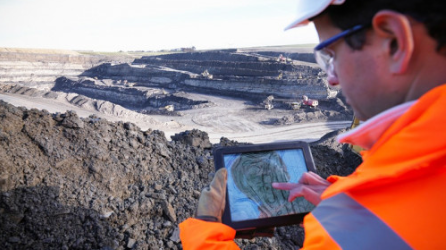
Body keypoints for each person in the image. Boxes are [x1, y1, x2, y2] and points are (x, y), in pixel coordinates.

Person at [179, 0, 446, 249]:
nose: (331, 79)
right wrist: (348, 194)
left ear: (394, 42)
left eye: (330, 55)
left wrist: (207, 228)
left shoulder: (345, 233)